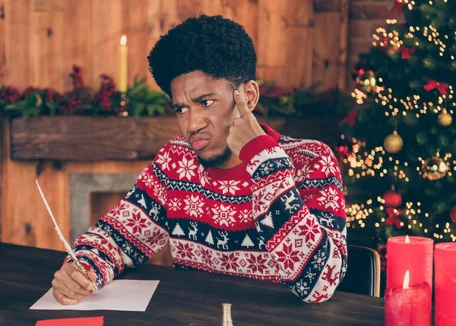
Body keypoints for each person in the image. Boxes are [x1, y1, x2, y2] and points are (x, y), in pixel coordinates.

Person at [51, 14, 347, 305]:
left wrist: (262, 158)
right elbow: (116, 238)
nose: (192, 124)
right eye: (181, 109)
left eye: (205, 102)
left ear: (248, 96)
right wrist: (82, 269)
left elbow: (319, 283)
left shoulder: (310, 160)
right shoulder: (177, 161)